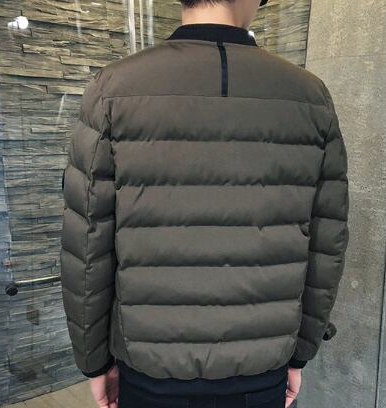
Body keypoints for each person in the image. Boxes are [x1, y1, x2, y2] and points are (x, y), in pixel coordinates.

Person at [60, 0, 349, 407]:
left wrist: (93, 362)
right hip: (260, 366)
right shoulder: (310, 96)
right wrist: (301, 352)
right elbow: (326, 244)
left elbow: (87, 245)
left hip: (150, 367)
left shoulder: (113, 88)